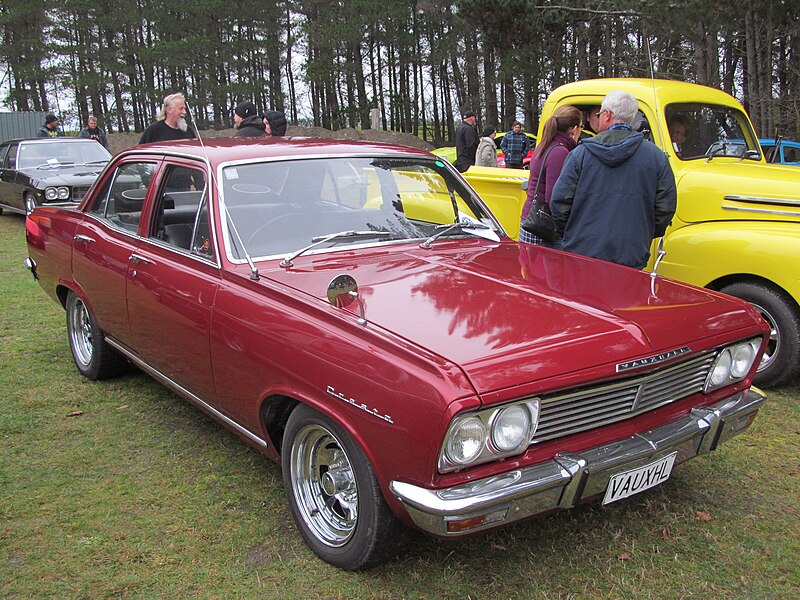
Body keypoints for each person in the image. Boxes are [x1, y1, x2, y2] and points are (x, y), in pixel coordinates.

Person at [550, 90, 677, 269]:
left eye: (600, 113)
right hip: (632, 254)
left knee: (584, 297)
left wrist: (572, 234)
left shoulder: (579, 155)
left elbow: (559, 203)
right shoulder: (656, 157)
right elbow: (665, 208)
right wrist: (642, 233)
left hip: (583, 254)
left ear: (607, 115)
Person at [519, 105, 583, 245]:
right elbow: (554, 198)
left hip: (532, 219)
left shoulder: (545, 145)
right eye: (581, 127)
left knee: (530, 267)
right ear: (573, 129)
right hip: (542, 227)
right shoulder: (559, 152)